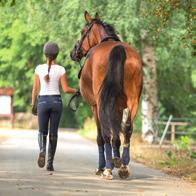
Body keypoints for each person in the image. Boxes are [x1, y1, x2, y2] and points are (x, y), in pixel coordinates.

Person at [31, 41, 78, 171]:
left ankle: (42, 150)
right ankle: (50, 164)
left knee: (42, 132)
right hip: (56, 102)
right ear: (56, 55)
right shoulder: (61, 69)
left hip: (43, 102)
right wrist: (77, 90)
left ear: (45, 54)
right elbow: (66, 89)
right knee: (53, 134)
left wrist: (33, 103)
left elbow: (35, 89)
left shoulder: (39, 68)